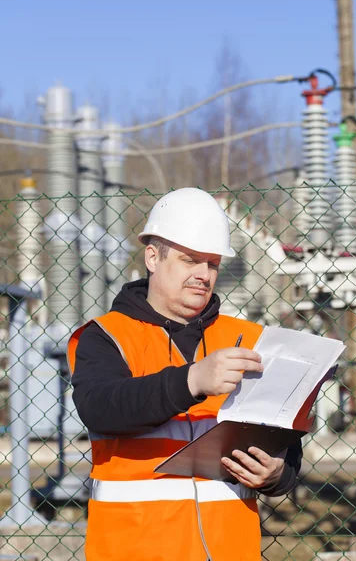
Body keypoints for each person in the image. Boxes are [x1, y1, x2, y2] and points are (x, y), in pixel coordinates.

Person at [68, 187, 303, 561]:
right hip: (135, 549)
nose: (203, 275)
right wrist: (191, 381)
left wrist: (276, 475)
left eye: (211, 263)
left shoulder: (250, 339)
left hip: (231, 551)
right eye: (189, 260)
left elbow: (284, 446)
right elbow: (100, 408)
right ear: (152, 257)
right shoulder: (107, 335)